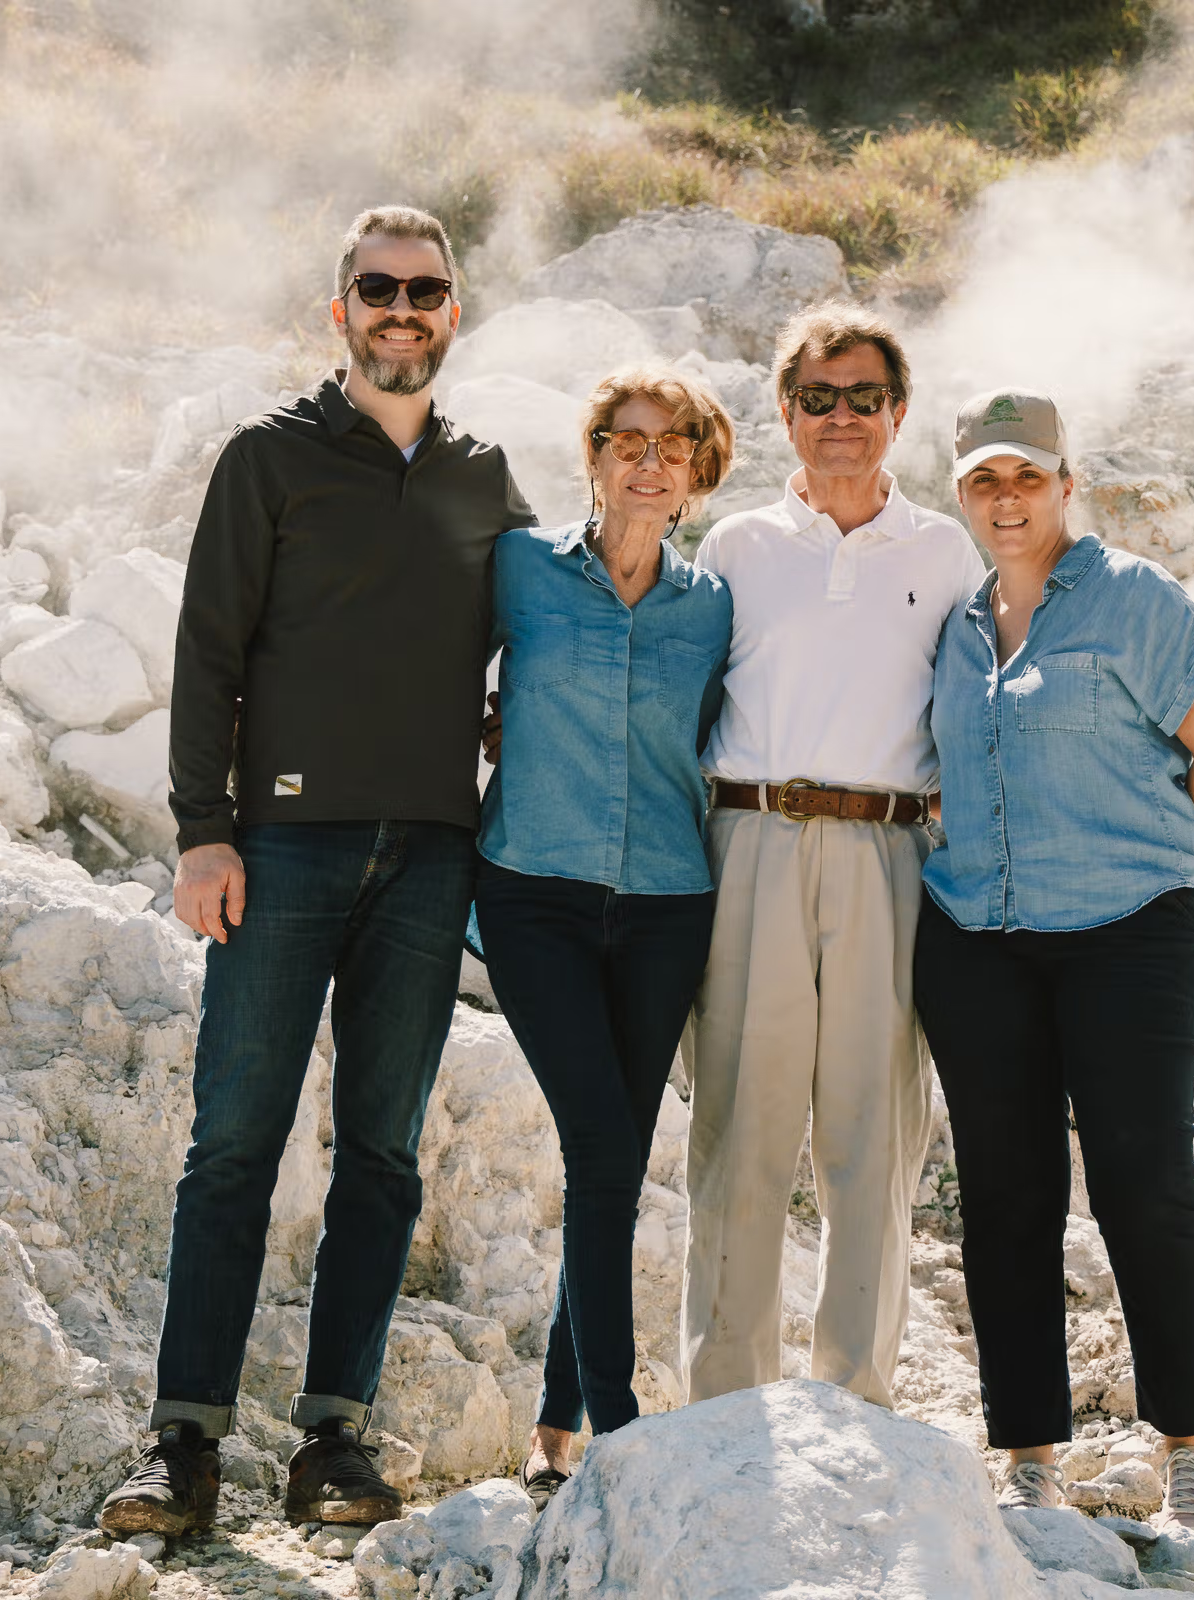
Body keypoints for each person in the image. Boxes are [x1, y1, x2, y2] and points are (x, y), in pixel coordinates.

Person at [97, 206, 535, 1539]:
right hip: (280, 851)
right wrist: (201, 831)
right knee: (234, 1142)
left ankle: (334, 1441)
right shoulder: (268, 462)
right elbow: (207, 654)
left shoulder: (483, 476)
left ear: (455, 312)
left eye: (426, 290)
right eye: (377, 288)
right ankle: (183, 1446)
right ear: (338, 308)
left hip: (429, 861)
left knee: (384, 1158)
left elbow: (542, 641)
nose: (402, 309)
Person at [913, 388, 1194, 1540]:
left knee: (1141, 1183)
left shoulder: (1133, 600)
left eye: (1027, 477)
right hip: (981, 945)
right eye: (983, 481)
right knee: (1005, 1200)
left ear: (1069, 485)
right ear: (960, 494)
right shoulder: (958, 629)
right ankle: (1027, 1456)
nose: (1007, 499)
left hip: (1131, 935)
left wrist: (1150, 871)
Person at [681, 303, 988, 1411]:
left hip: (890, 852)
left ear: (899, 414)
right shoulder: (735, 546)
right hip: (751, 839)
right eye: (819, 398)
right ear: (786, 411)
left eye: (865, 397)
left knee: (873, 1137)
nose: (843, 418)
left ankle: (856, 1396)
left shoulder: (947, 550)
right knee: (741, 1130)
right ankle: (726, 1400)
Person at [472, 368, 736, 1507]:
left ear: (698, 474)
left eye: (673, 445)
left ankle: (554, 1428)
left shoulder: (715, 606)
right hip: (532, 891)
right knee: (601, 1142)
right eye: (626, 440)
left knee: (615, 1161)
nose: (648, 459)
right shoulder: (521, 570)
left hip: (670, 902)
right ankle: (619, 1421)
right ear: (592, 457)